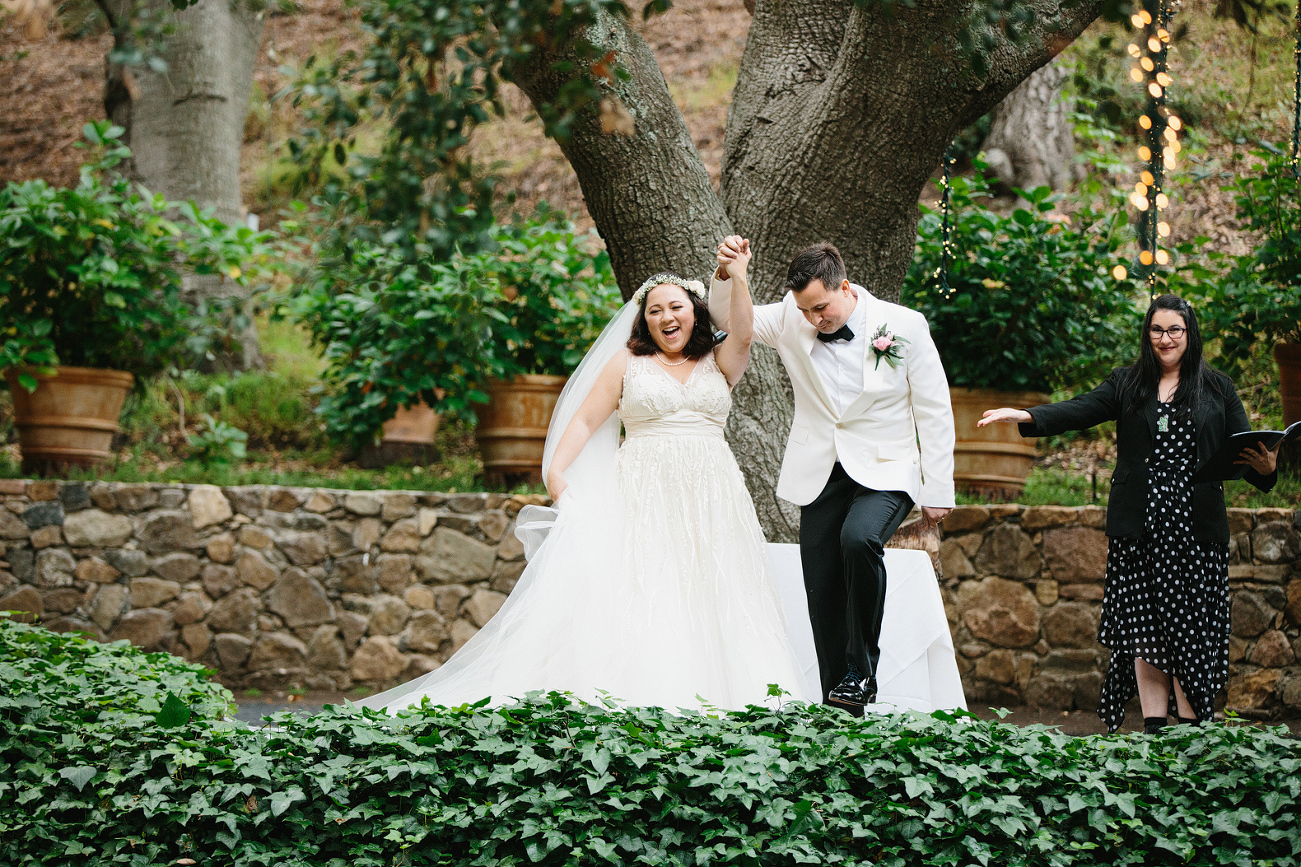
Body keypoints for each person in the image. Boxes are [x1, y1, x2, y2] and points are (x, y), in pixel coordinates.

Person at [359, 240, 814, 713]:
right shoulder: (627, 364)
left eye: (676, 306)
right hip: (644, 492)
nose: (666, 317)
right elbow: (582, 422)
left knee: (720, 585)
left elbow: (741, 335)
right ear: (644, 320)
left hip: (713, 493)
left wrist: (737, 276)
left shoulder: (718, 363)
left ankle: (730, 698)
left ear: (695, 313)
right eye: (655, 310)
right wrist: (555, 472)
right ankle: (653, 695)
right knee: (653, 587)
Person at [978, 294, 1278, 733]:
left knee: (1191, 633)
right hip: (1139, 530)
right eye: (1157, 329)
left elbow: (1246, 449)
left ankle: (1193, 736)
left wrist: (1267, 467)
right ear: (1147, 334)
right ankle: (1155, 732)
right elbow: (1080, 408)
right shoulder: (1128, 383)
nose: (1165, 338)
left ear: (1189, 334)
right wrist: (1026, 415)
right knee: (1146, 630)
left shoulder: (1218, 388)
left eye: (1175, 329)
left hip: (1195, 530)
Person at [709, 239, 956, 711]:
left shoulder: (903, 326)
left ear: (845, 286)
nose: (813, 320)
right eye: (804, 310)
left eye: (820, 307)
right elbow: (729, 320)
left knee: (859, 540)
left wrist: (938, 487)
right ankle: (836, 700)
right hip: (820, 469)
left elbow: (934, 409)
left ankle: (862, 672)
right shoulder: (789, 317)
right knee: (821, 586)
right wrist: (727, 276)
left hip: (886, 470)